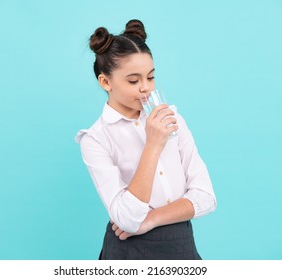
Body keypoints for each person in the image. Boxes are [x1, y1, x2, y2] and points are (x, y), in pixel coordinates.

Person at [75, 19, 216, 260]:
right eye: (133, 80)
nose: (146, 88)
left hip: (180, 243)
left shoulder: (172, 119)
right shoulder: (96, 139)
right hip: (128, 250)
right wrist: (153, 144)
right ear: (105, 82)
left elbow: (205, 197)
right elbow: (127, 220)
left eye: (150, 78)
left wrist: (150, 219)